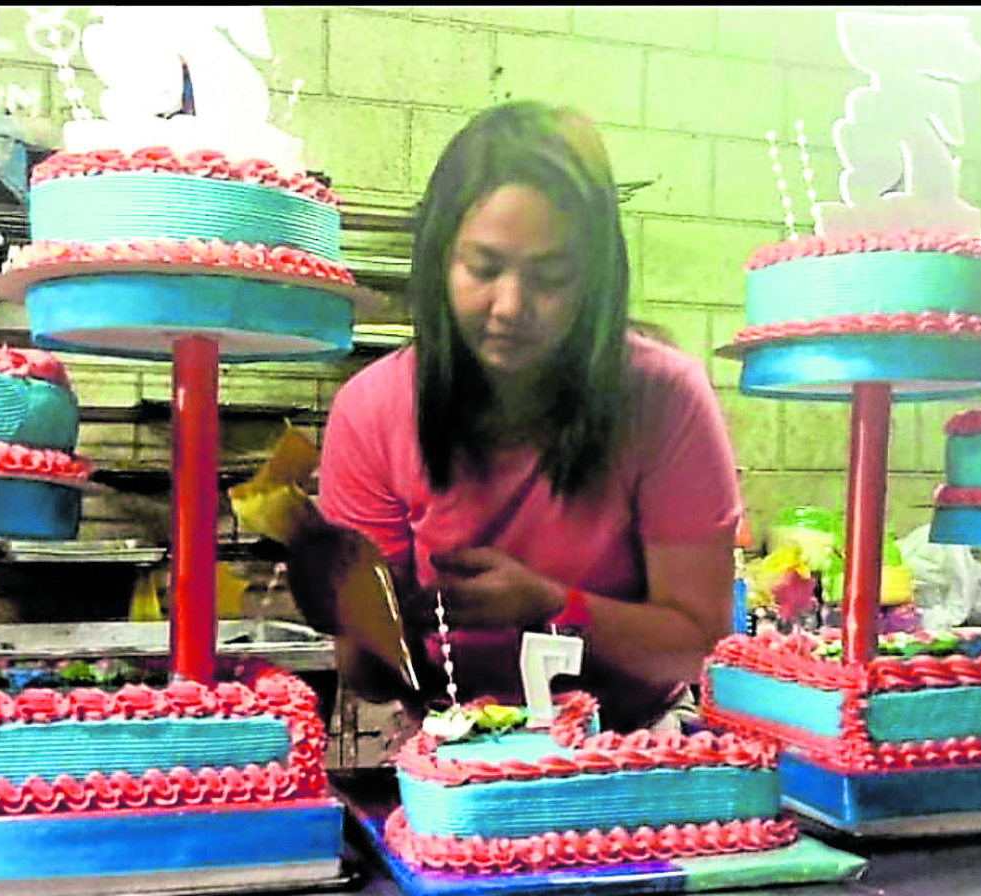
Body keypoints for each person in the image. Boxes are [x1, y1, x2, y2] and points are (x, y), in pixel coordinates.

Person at [316, 100, 742, 734]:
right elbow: (371, 679)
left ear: (594, 279)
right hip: (453, 755)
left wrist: (551, 605)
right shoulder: (372, 411)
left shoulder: (665, 398)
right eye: (484, 268)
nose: (512, 306)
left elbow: (695, 645)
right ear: (438, 259)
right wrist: (359, 614)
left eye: (551, 277)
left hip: (633, 750)